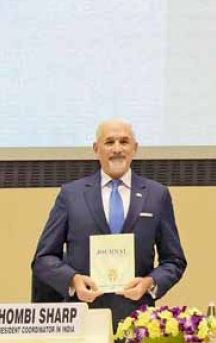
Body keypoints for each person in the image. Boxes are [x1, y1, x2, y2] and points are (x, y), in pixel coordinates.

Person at [32, 119, 187, 331]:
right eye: (109, 142)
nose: (117, 149)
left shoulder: (156, 195)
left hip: (138, 320)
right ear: (96, 149)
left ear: (135, 148)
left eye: (124, 142)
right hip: (83, 319)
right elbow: (44, 258)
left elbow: (174, 260)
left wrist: (150, 283)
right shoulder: (71, 195)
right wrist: (73, 280)